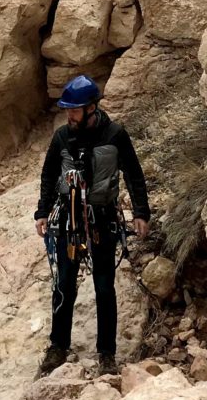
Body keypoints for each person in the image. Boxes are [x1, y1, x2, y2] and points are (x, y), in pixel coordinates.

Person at [34, 74, 151, 378]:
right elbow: (49, 175)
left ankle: (107, 354)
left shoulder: (115, 135)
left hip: (102, 220)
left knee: (103, 286)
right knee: (63, 284)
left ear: (91, 108)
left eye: (74, 109)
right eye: (68, 110)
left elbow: (134, 175)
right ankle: (58, 347)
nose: (69, 115)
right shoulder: (61, 137)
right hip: (69, 221)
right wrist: (42, 211)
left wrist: (141, 213)